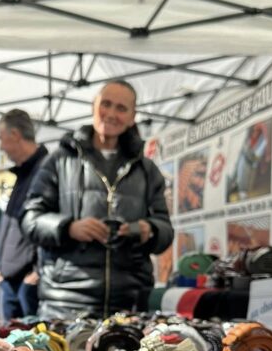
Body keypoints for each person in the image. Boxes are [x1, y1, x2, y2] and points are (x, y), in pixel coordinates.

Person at [21, 80, 173, 318]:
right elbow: (30, 219)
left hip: (130, 303)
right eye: (106, 104)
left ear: (132, 117)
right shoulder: (59, 161)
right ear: (93, 106)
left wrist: (149, 230)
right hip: (66, 303)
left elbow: (165, 229)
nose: (111, 114)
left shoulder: (147, 170)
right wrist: (68, 228)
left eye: (121, 108)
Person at [0, 109, 48, 319]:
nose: (1, 147)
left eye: (1, 139)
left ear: (15, 135)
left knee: (31, 339)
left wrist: (37, 272)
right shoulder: (25, 173)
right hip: (11, 281)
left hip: (27, 285)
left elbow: (48, 224)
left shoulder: (44, 171)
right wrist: (1, 268)